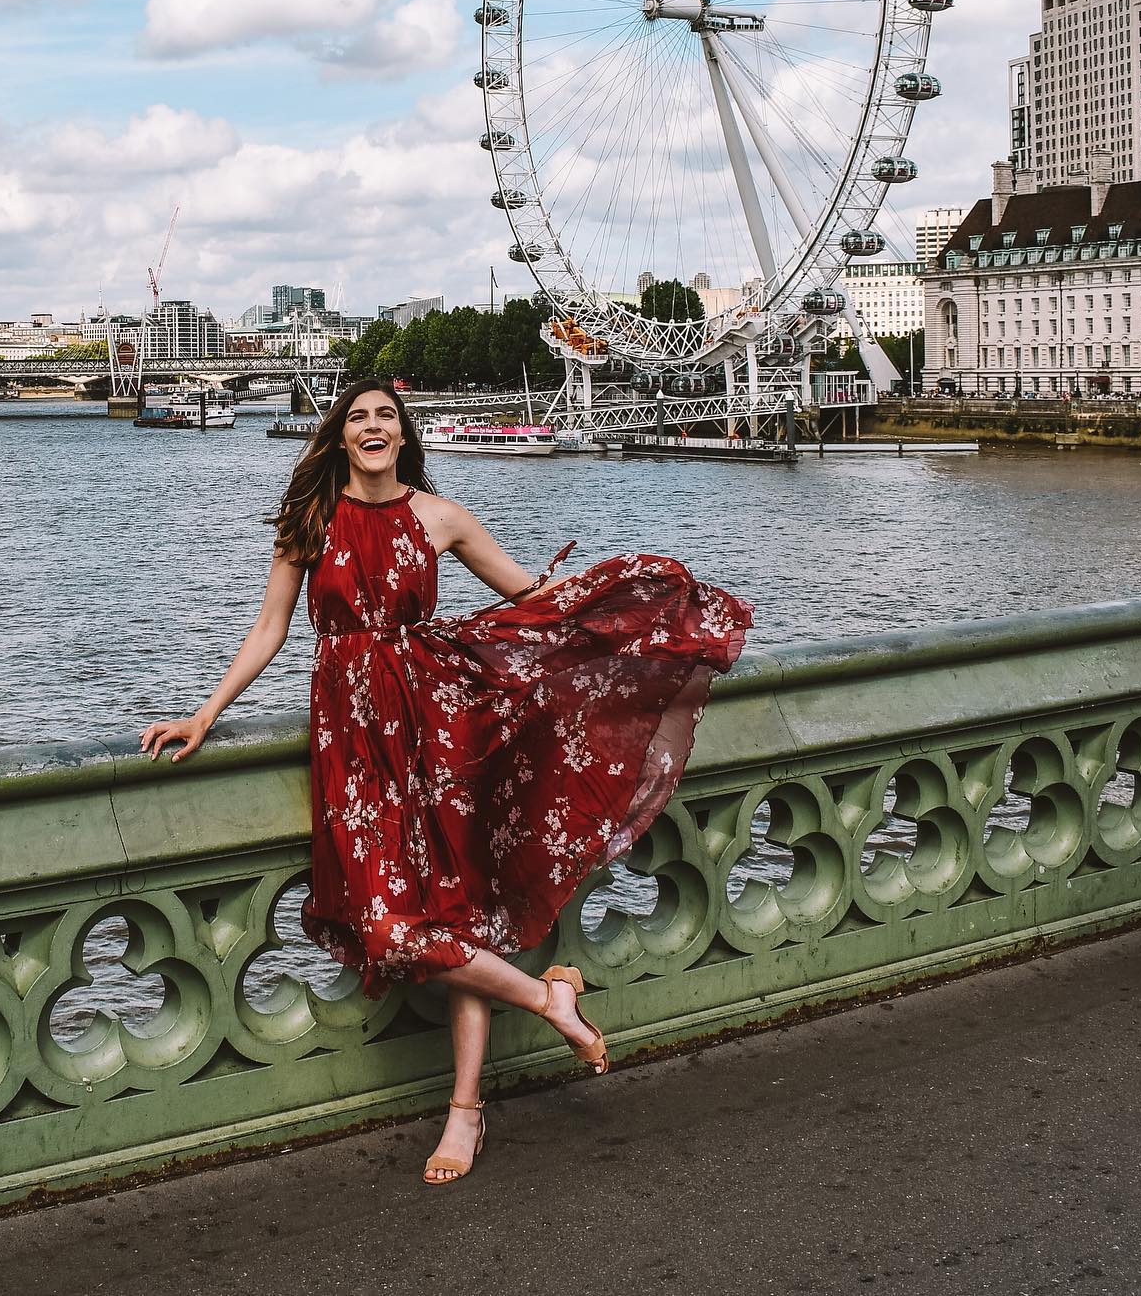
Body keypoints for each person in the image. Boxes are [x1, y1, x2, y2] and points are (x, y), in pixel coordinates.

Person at [141, 378, 750, 1186]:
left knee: (455, 909)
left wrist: (625, 613)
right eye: (356, 416)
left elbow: (536, 601)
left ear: (401, 433)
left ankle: (465, 1111)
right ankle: (547, 998)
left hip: (439, 723)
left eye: (384, 415)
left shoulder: (442, 516)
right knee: (389, 924)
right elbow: (270, 629)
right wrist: (205, 712)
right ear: (340, 435)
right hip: (351, 739)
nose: (371, 425)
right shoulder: (311, 521)